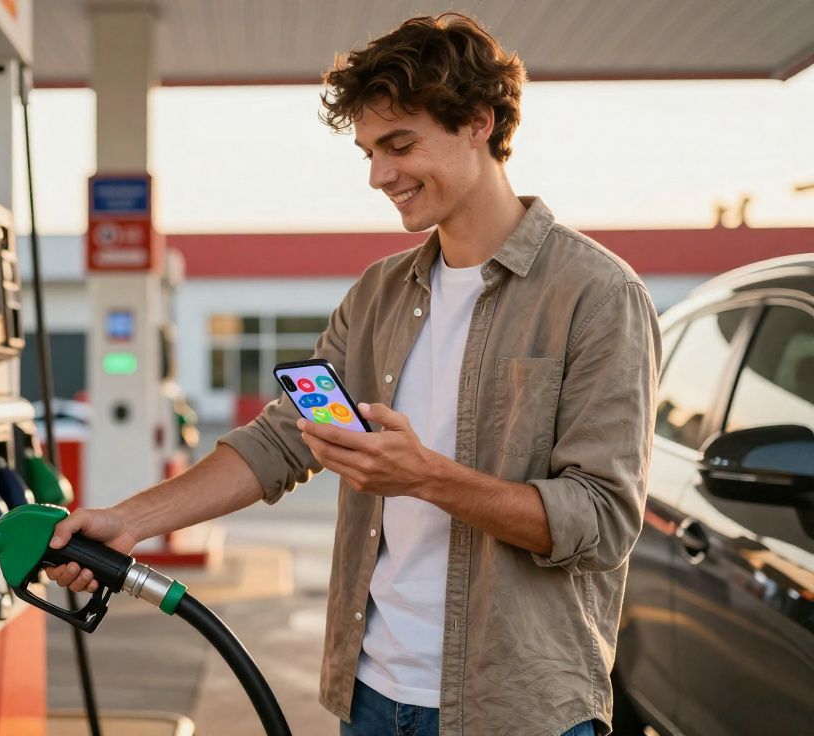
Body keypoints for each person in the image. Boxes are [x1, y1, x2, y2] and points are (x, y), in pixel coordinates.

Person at [45, 12, 660, 736]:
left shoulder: (596, 296)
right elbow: (279, 442)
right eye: (369, 151)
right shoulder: (379, 294)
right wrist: (129, 522)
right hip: (371, 696)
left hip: (517, 711)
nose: (379, 175)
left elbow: (602, 521)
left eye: (399, 145)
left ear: (478, 124)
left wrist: (425, 475)